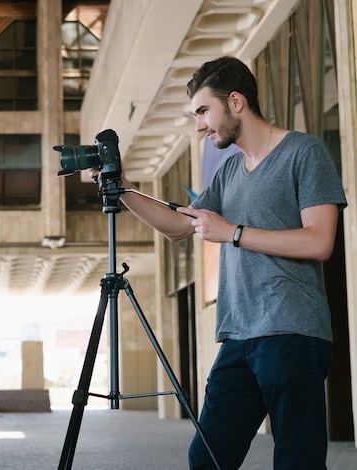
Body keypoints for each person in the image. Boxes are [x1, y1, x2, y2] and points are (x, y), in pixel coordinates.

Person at [100, 57, 346, 469]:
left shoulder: (305, 152)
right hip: (238, 337)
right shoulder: (230, 170)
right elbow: (180, 226)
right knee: (208, 458)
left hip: (292, 332)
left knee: (297, 461)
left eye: (202, 111)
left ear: (235, 101)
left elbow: (320, 240)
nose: (199, 125)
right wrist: (121, 187)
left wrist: (232, 232)